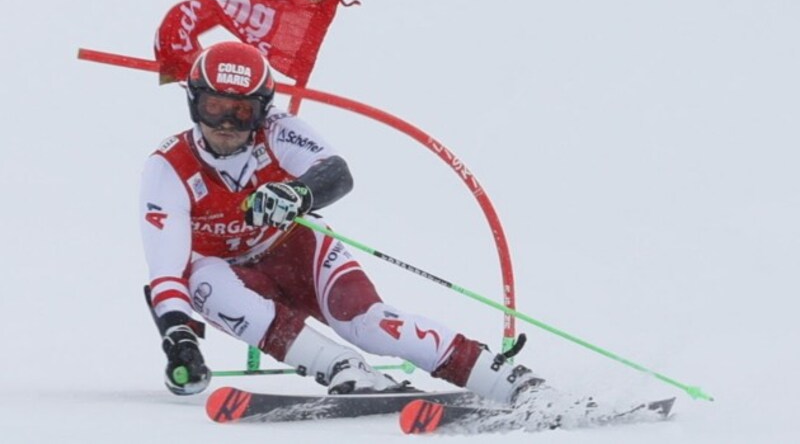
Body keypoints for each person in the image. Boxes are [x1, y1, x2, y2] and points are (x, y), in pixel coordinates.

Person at [139, 40, 541, 403]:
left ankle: (505, 379)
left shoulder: (279, 130)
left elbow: (335, 172)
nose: (226, 123)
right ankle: (342, 368)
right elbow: (167, 269)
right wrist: (179, 336)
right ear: (194, 103)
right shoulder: (168, 168)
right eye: (214, 107)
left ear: (263, 110)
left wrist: (297, 194)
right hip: (230, 275)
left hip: (296, 251)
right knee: (204, 279)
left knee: (370, 325)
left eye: (242, 111)